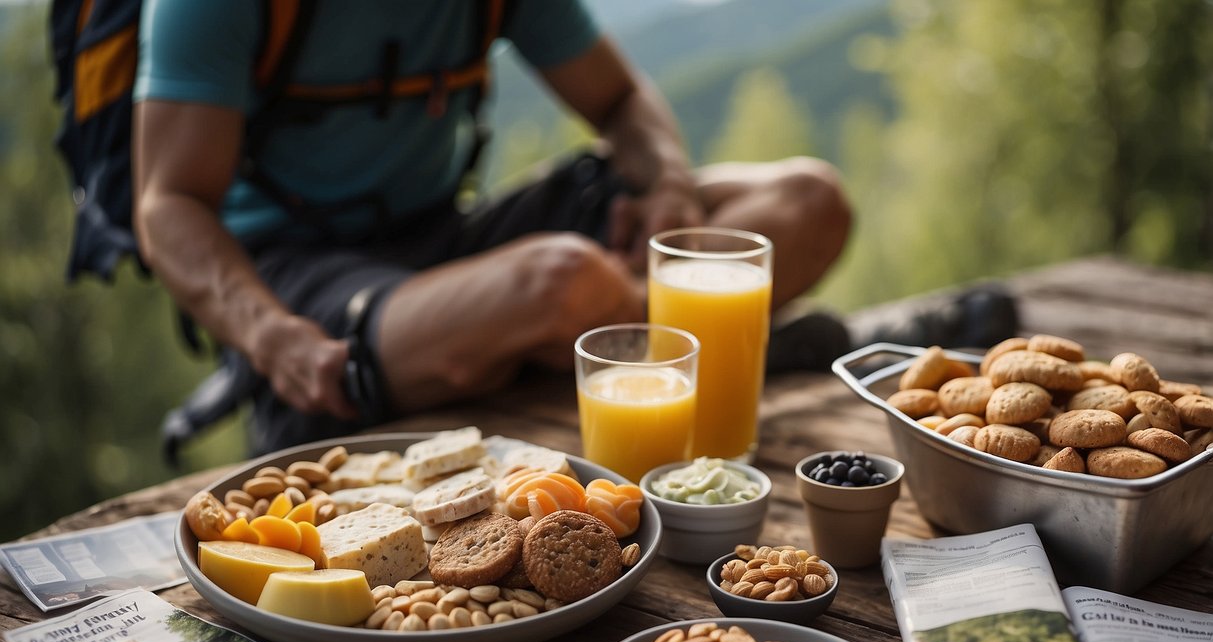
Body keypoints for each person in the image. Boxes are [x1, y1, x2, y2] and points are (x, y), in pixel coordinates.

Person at [133, 1, 1009, 457]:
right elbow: (167, 203)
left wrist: (663, 182)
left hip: (449, 238)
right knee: (562, 281)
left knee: (805, 203)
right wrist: (270, 336)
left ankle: (594, 346)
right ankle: (702, 347)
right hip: (300, 280)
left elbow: (621, 101)